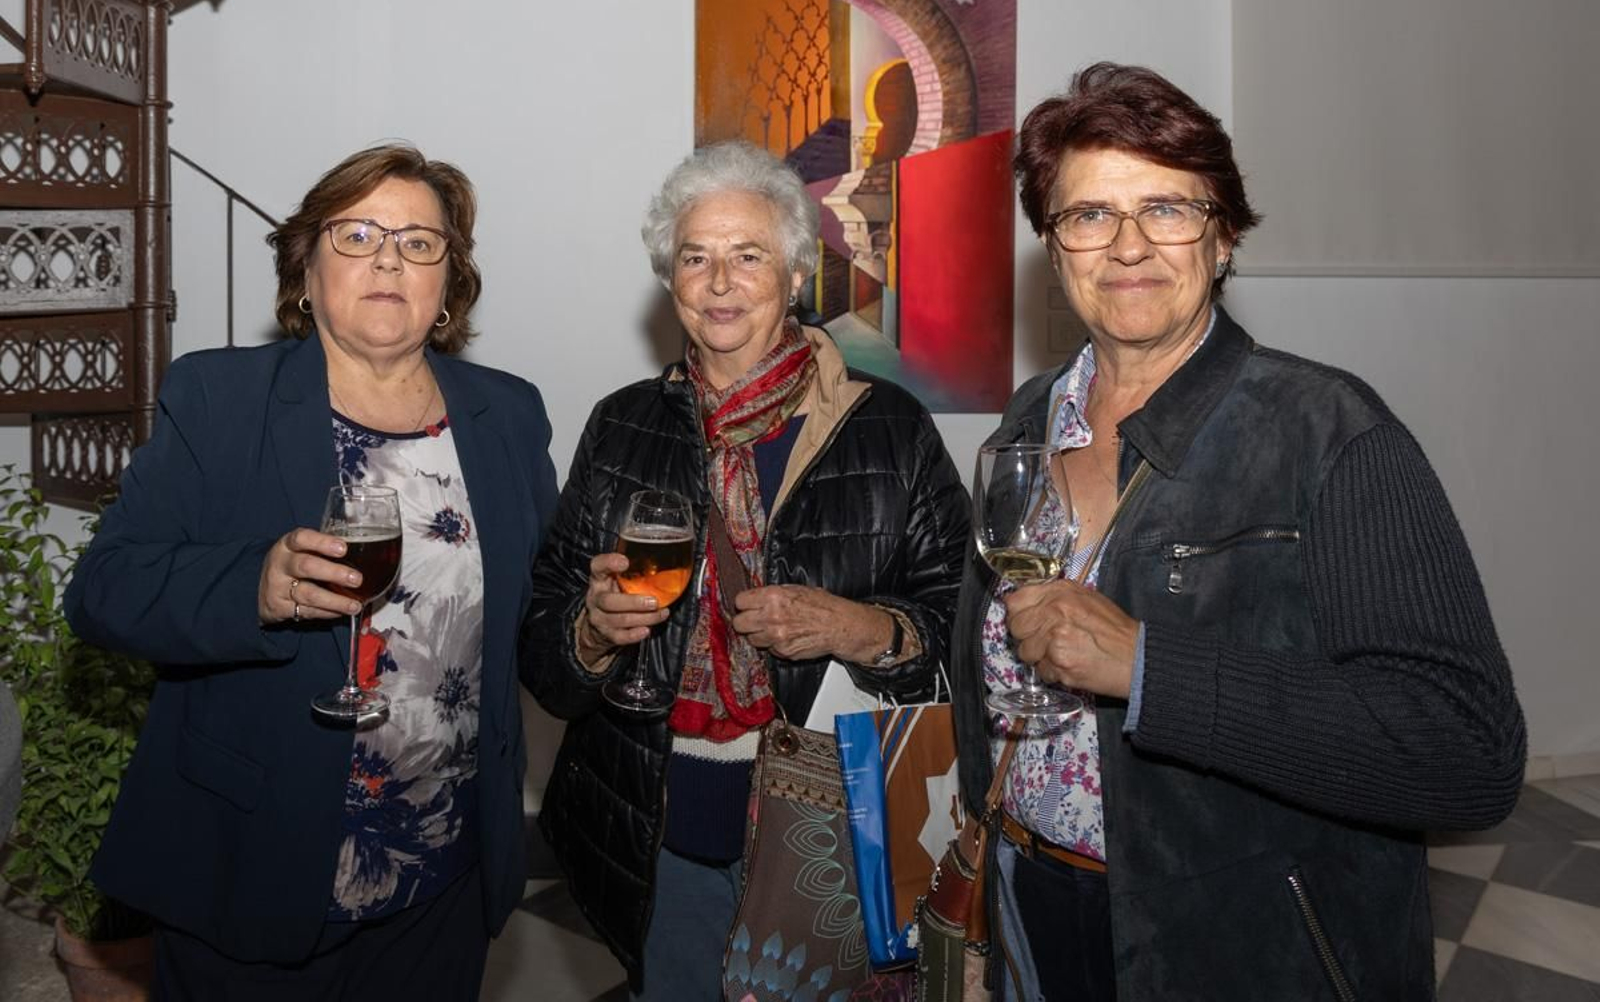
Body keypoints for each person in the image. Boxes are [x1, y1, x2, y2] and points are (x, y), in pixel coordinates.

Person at [950, 63, 1526, 1001]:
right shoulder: (1029, 421)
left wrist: (1151, 668)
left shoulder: (1328, 430)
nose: (1128, 244)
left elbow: (1468, 752)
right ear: (1053, 249)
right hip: (1030, 906)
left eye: (1167, 209)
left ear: (1222, 239)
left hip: (1236, 946)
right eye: (1090, 214)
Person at [64, 144, 559, 998]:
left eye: (418, 242)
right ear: (305, 266)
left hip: (442, 872)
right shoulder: (220, 398)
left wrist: (592, 624)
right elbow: (104, 589)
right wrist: (252, 585)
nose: (388, 261)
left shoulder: (507, 413)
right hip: (255, 864)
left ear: (449, 281)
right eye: (357, 234)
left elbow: (536, 611)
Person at [521, 140, 969, 999]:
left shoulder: (890, 427)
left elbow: (968, 627)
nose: (720, 280)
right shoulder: (621, 426)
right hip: (661, 835)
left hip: (835, 833)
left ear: (796, 274)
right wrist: (592, 631)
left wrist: (858, 628)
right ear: (671, 281)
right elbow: (542, 652)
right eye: (696, 257)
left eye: (748, 255)